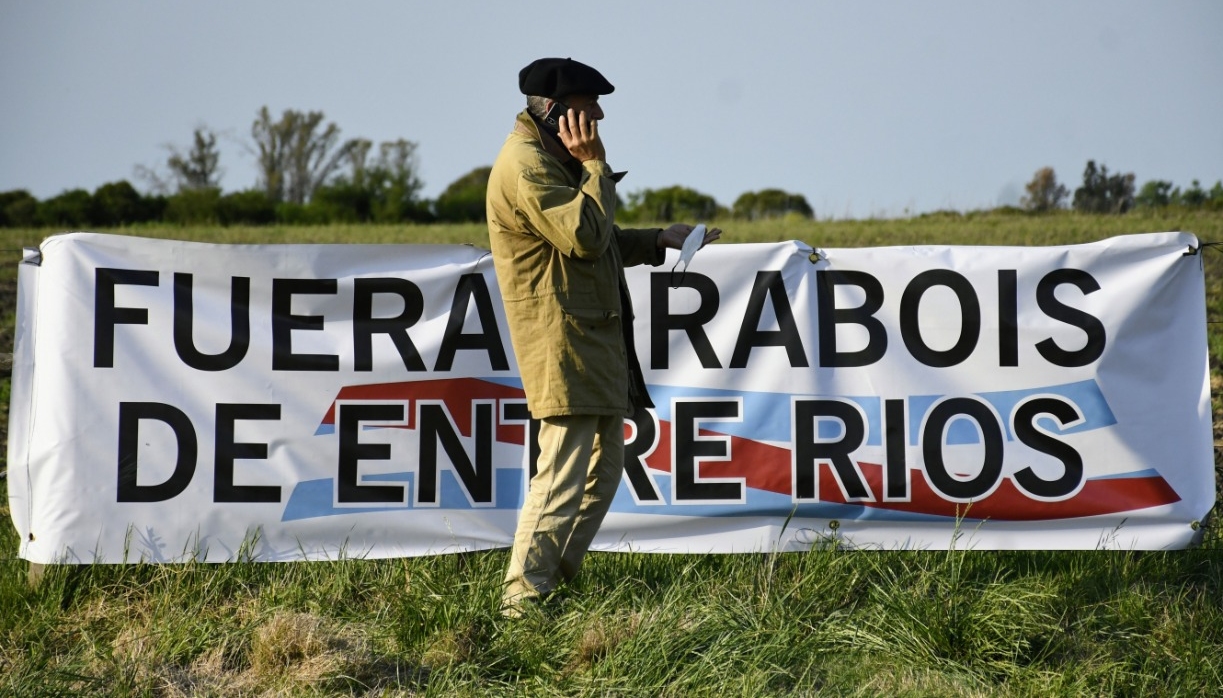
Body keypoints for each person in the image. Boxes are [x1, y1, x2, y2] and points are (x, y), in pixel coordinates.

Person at [486, 57, 720, 616]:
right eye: (588, 106)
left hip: (588, 341)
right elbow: (587, 237)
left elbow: (602, 236)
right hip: (561, 343)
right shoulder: (526, 167)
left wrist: (660, 238)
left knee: (602, 469)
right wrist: (595, 166)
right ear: (556, 112)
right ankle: (523, 602)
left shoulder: (548, 157)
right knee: (563, 474)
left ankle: (552, 587)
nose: (599, 115)